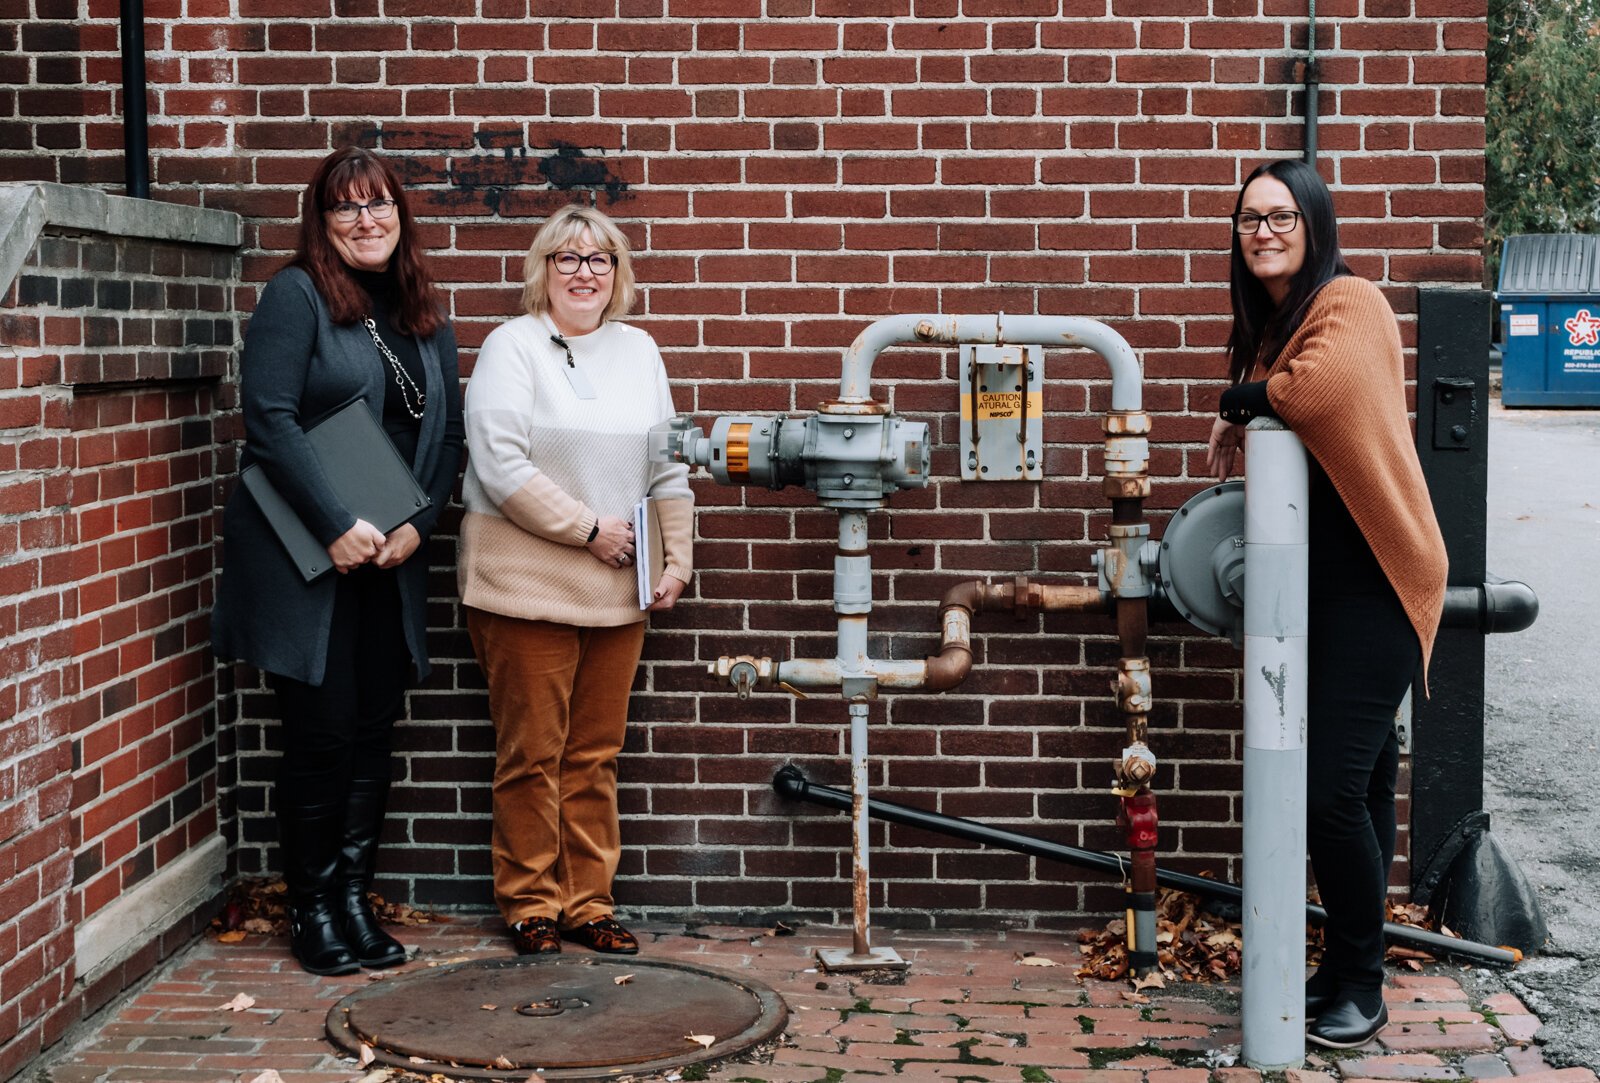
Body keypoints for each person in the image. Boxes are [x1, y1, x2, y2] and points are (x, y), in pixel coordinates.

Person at [1206, 159, 1448, 1050]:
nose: (1263, 232)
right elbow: (1289, 390)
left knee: (1329, 794)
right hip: (1332, 586)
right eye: (1248, 221)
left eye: (1280, 217)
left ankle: (1364, 982)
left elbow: (1315, 393)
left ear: (1313, 224)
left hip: (1382, 578)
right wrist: (1249, 390)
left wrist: (1236, 402)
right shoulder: (1278, 326)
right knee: (1367, 783)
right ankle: (1348, 970)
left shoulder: (1349, 301)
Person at [212, 147, 464, 976]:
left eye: (380, 204)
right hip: (311, 562)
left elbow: (444, 438)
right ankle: (313, 908)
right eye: (346, 208)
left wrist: (418, 524)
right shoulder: (297, 296)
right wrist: (334, 523)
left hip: (391, 560)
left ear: (401, 214)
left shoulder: (424, 313)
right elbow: (270, 417)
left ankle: (356, 896)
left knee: (371, 729)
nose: (366, 220)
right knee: (320, 735)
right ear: (321, 222)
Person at [460, 203, 693, 957]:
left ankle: (588, 902)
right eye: (567, 258)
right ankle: (530, 900)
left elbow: (668, 463)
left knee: (594, 755)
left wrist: (677, 557)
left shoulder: (640, 351)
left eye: (600, 259)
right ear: (543, 271)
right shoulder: (511, 347)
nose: (584, 272)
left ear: (618, 273)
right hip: (526, 581)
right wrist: (588, 530)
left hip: (619, 586)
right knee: (531, 753)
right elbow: (500, 465)